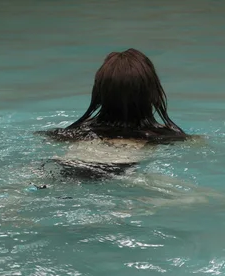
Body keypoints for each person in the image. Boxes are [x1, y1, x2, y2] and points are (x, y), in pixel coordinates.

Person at [38, 49, 188, 180]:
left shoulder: (75, 131)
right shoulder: (165, 136)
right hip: (112, 172)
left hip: (58, 166)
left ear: (99, 93)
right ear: (153, 93)